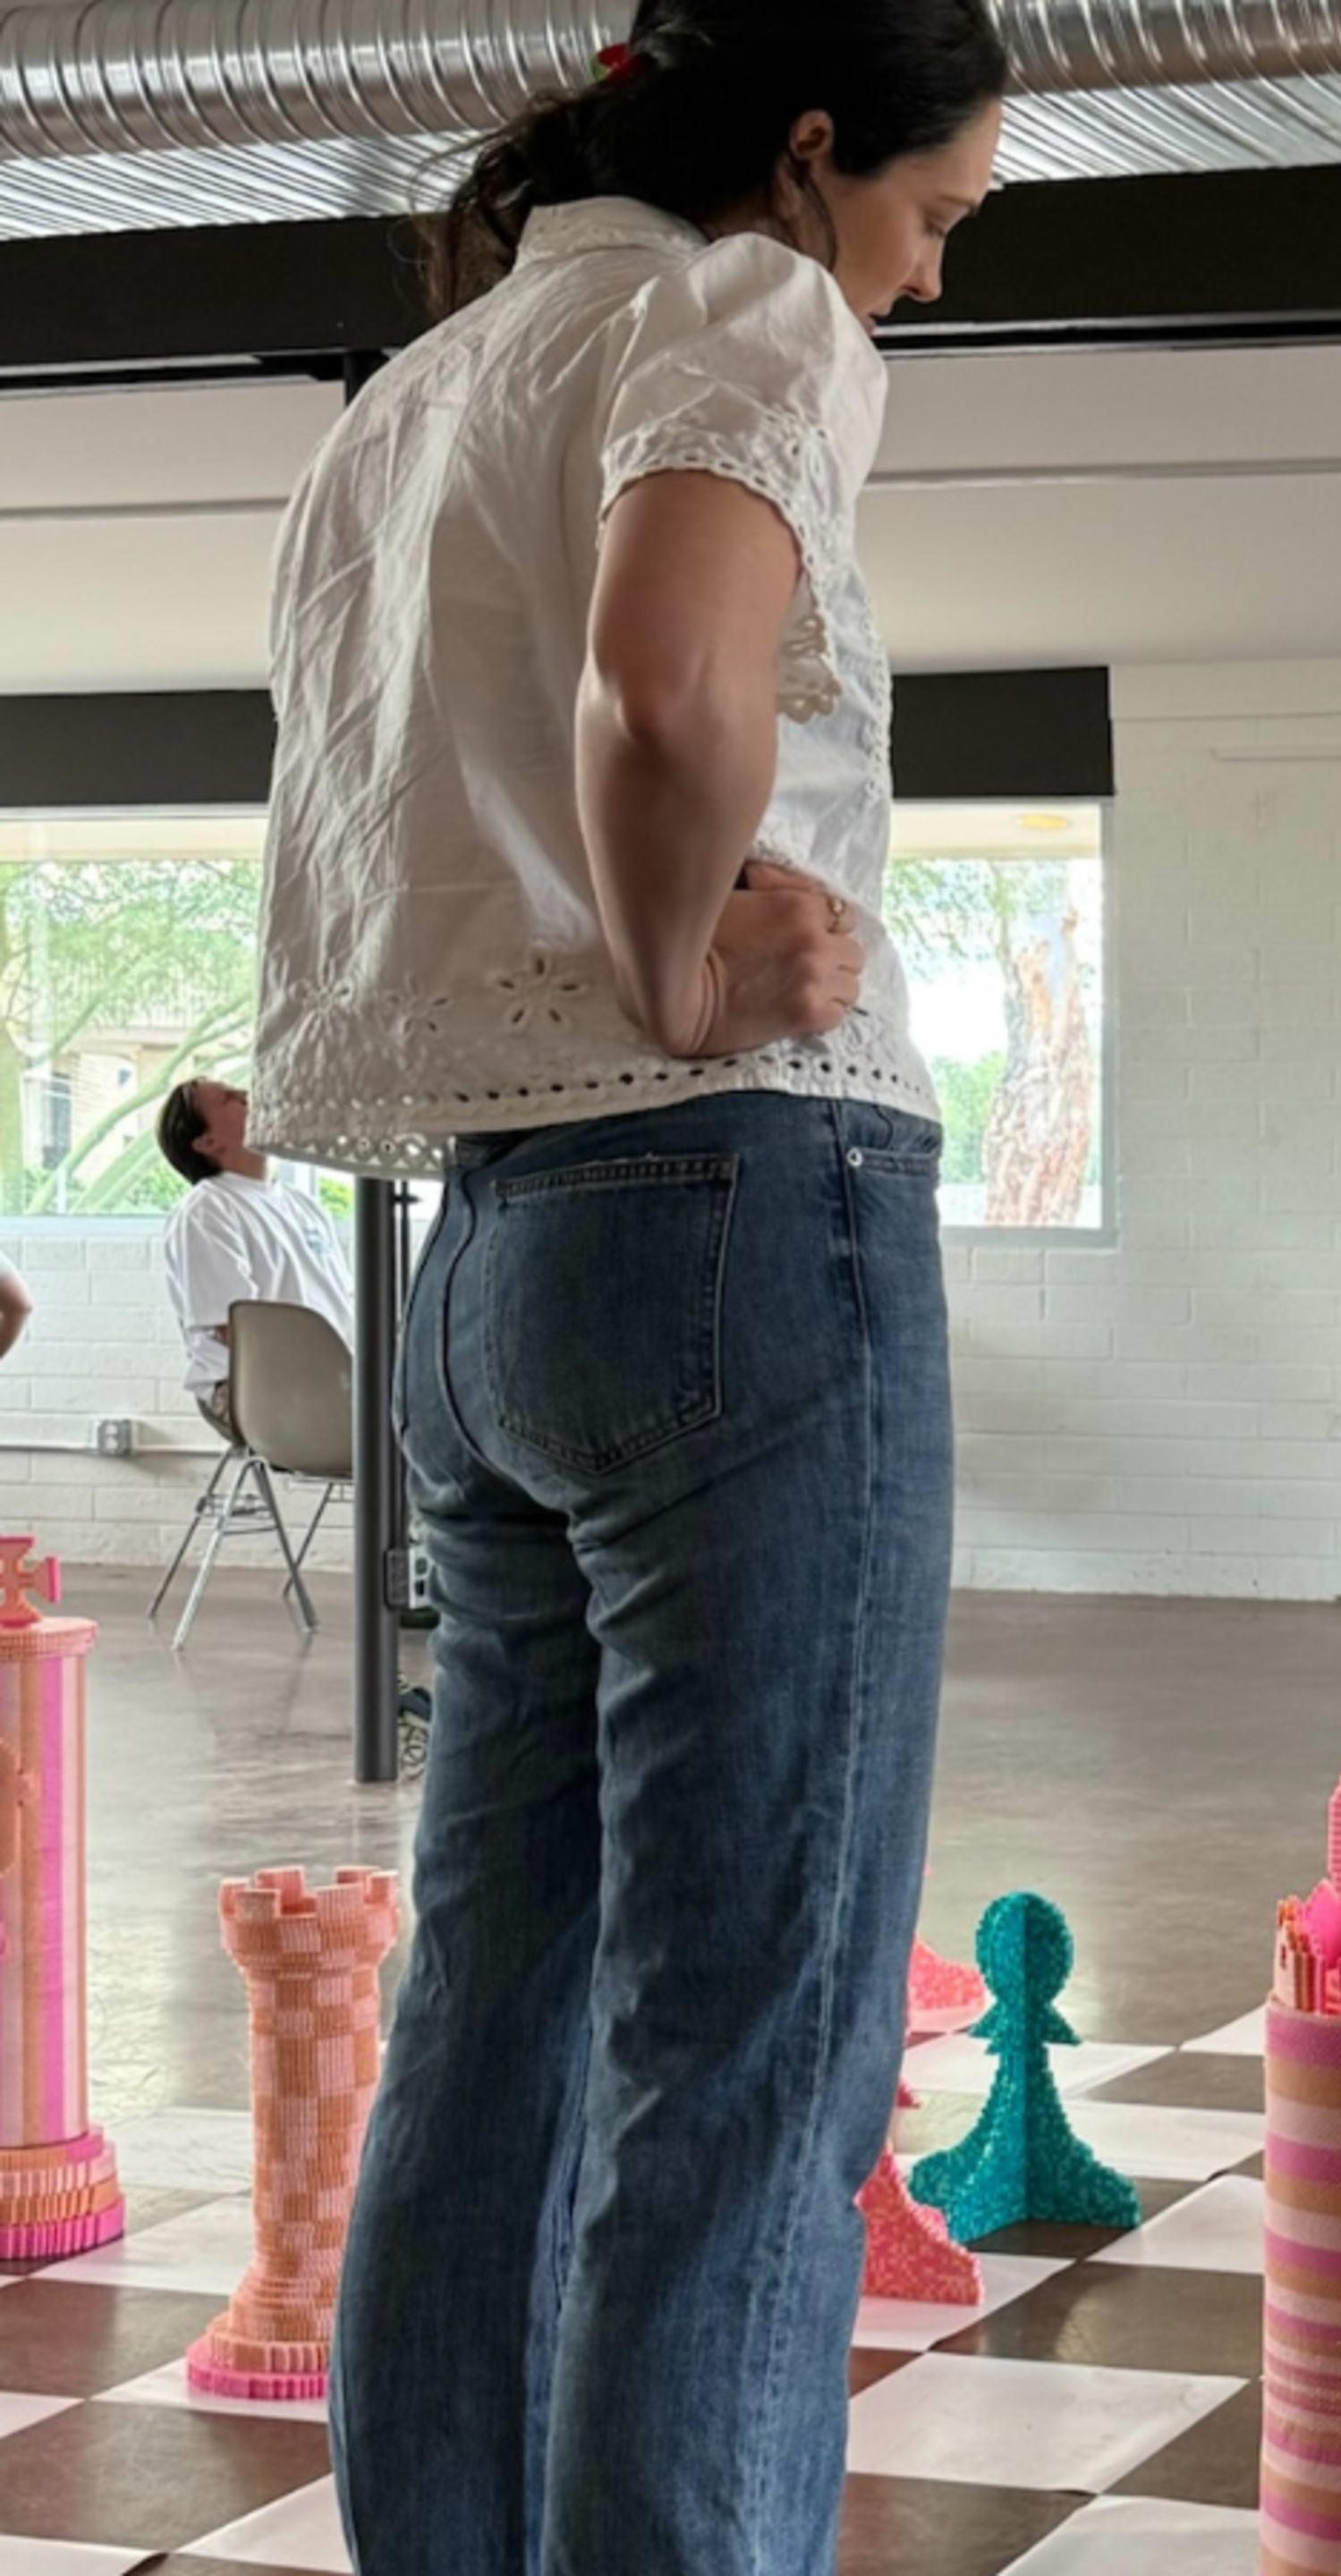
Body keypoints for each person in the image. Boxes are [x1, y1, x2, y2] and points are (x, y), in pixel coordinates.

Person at [250, 6, 1007, 2571]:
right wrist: (681, 967)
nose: (920, 275)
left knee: (500, 2021)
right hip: (736, 1220)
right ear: (810, 160)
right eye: (931, 215)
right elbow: (669, 686)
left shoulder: (415, 389)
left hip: (491, 1259)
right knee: (748, 2055)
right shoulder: (747, 306)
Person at [153, 1079, 354, 1443]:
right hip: (256, 1393)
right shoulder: (208, 1209)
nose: (250, 1096)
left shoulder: (304, 1206)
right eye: (232, 1099)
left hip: (334, 1382)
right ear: (208, 1143)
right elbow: (238, 1331)